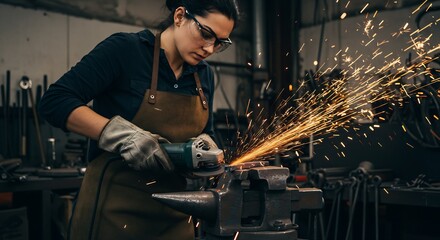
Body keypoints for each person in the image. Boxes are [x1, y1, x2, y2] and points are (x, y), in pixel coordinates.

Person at [38, 0, 240, 239]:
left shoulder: (203, 74)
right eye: (205, 34)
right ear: (179, 16)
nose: (209, 48)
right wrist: (121, 136)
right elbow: (55, 101)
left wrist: (207, 148)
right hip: (113, 213)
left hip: (176, 216)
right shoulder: (125, 51)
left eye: (219, 43)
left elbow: (206, 131)